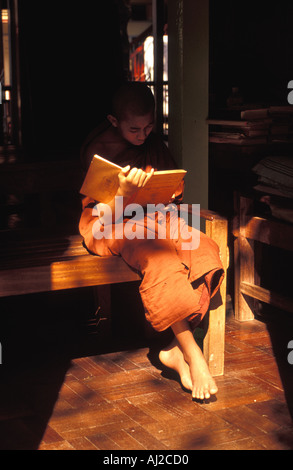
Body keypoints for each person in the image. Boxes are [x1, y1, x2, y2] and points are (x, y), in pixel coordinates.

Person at [79, 82, 224, 400]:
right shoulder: (99, 149)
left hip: (157, 217)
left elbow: (171, 186)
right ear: (114, 121)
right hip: (114, 225)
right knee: (161, 259)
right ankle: (192, 351)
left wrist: (168, 189)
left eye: (149, 127)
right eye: (134, 129)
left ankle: (173, 349)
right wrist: (124, 194)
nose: (143, 136)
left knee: (204, 249)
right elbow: (100, 217)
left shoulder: (153, 143)